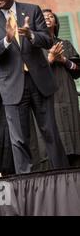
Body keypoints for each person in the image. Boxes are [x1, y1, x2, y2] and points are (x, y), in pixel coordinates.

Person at [0, 0, 69, 174]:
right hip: (12, 86)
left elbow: (47, 40)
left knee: (50, 132)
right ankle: (26, 181)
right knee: (19, 138)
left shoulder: (32, 10)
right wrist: (6, 40)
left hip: (39, 81)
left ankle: (64, 176)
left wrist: (31, 35)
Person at [40, 9, 80, 166]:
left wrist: (63, 60)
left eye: (51, 17)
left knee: (72, 128)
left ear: (56, 23)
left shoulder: (65, 44)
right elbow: (32, 74)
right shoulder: (35, 47)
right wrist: (50, 59)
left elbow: (77, 70)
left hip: (68, 93)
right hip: (49, 95)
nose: (48, 19)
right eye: (43, 18)